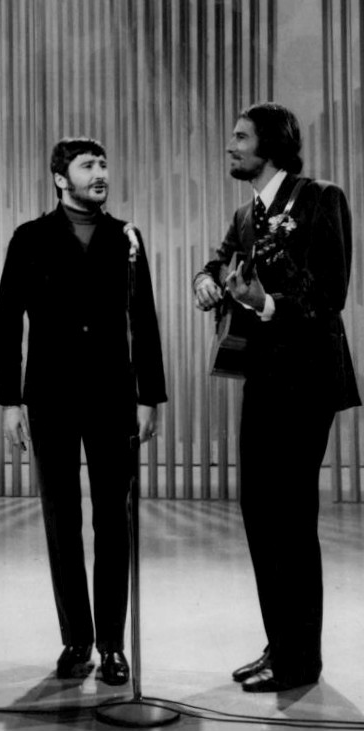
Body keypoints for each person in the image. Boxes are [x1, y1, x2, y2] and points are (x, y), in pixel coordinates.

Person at [193, 102, 360, 692]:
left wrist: (263, 302)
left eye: (241, 137)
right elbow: (218, 261)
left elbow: (330, 294)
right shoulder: (246, 213)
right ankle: (280, 644)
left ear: (271, 145)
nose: (231, 145)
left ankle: (300, 661)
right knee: (259, 514)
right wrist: (206, 281)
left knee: (290, 518)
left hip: (308, 381)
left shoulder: (321, 198)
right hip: (262, 379)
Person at [0, 137, 167, 685]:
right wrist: (10, 400)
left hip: (114, 395)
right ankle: (76, 639)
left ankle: (113, 644)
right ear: (60, 178)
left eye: (104, 163)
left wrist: (149, 396)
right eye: (88, 165)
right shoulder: (30, 237)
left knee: (115, 519)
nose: (101, 172)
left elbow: (144, 319)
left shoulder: (126, 237)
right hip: (50, 395)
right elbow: (6, 322)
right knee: (61, 518)